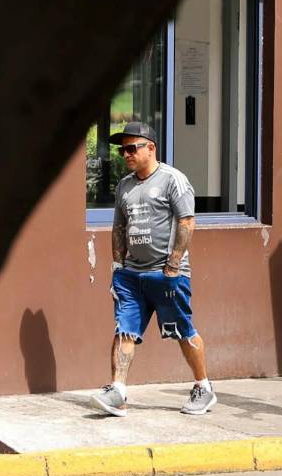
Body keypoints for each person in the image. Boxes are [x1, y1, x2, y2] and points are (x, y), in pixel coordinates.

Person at [89, 122, 215, 417]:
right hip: (131, 275)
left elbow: (186, 221)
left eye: (132, 148)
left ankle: (203, 387)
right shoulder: (125, 185)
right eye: (123, 150)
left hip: (166, 273)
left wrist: (172, 266)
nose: (126, 154)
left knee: (182, 331)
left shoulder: (173, 180)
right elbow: (119, 227)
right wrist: (117, 268)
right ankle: (117, 390)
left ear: (151, 148)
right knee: (125, 330)